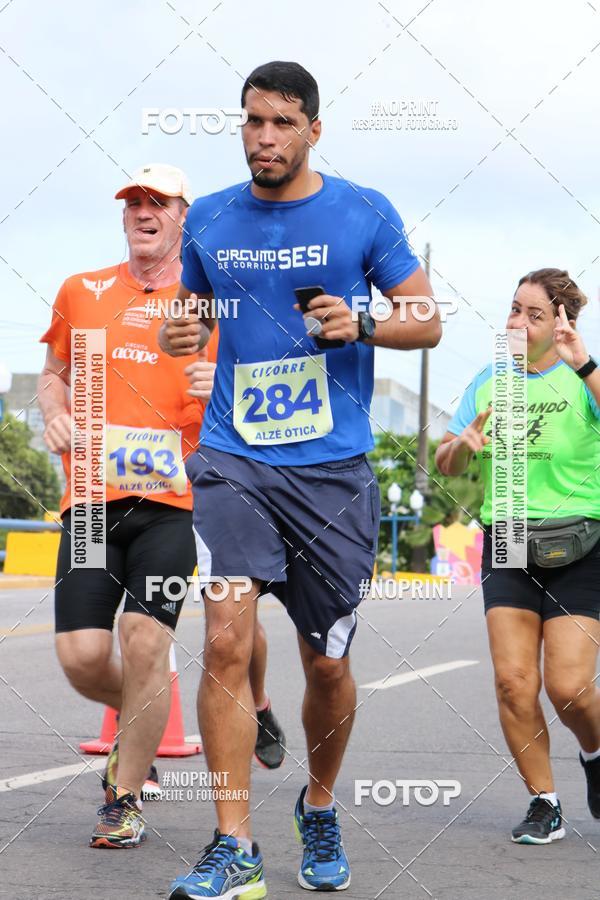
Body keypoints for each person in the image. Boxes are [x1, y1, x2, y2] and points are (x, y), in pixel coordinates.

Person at [160, 61, 441, 898]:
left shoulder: (362, 210)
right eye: (253, 121)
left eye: (282, 122)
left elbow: (426, 318)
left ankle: (318, 804)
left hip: (332, 473)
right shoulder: (210, 217)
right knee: (224, 638)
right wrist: (182, 333)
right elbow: (191, 312)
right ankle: (234, 845)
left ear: (314, 130)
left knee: (325, 665)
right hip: (235, 458)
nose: (265, 137)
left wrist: (363, 321)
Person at [38, 163, 285, 851]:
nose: (144, 212)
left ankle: (123, 799)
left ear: (184, 219)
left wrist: (223, 384)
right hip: (92, 503)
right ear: (124, 216)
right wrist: (54, 412)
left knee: (146, 641)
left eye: (160, 203)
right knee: (83, 657)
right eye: (134, 203)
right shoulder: (82, 291)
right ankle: (142, 717)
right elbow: (55, 375)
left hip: (180, 502)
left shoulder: (216, 305)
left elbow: (269, 394)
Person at [436, 268, 600, 844]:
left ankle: (595, 753)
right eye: (514, 309)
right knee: (513, 681)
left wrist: (584, 363)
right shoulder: (489, 380)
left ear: (561, 323)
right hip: (506, 538)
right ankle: (544, 801)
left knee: (569, 687)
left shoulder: (584, 376)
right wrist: (462, 446)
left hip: (582, 540)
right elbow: (446, 461)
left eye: (535, 314)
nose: (519, 322)